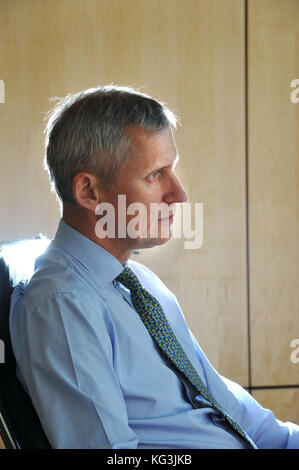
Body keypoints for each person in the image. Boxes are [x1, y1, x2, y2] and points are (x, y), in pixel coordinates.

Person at [9, 85, 299, 449]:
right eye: (154, 175)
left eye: (171, 170)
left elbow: (222, 403)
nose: (179, 194)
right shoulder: (62, 305)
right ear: (89, 192)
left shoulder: (139, 284)